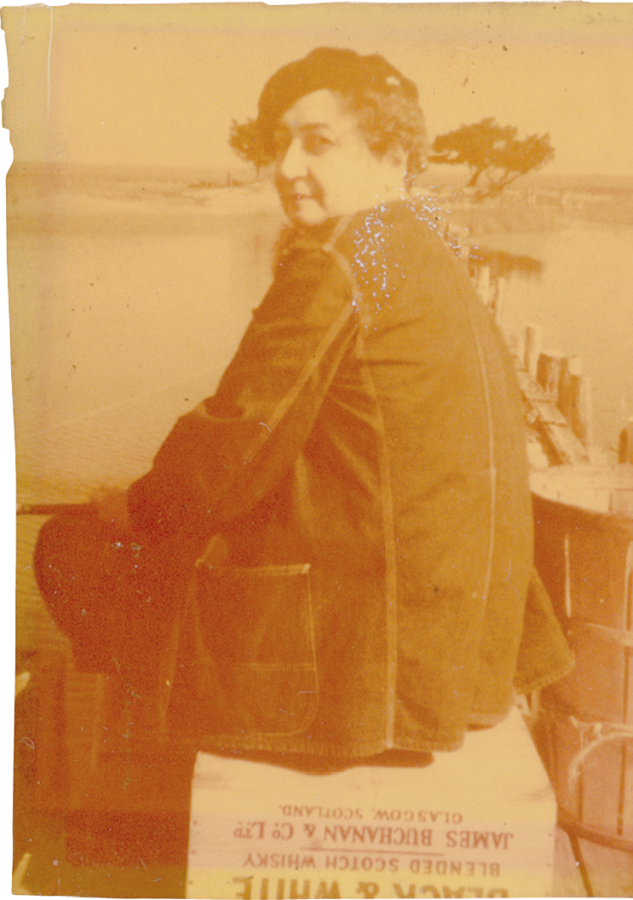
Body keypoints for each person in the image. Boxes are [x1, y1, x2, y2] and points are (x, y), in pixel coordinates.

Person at [33, 47, 572, 765]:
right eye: (278, 143)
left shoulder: (340, 257)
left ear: (391, 155)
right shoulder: (423, 245)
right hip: (460, 664)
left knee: (72, 546)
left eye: (318, 143)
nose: (285, 168)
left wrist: (131, 508)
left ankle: (141, 768)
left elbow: (229, 455)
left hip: (371, 675)